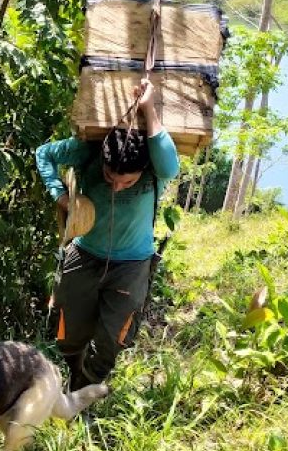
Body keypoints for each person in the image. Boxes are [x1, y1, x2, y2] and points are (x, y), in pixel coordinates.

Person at [35, 78, 180, 390]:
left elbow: (167, 156)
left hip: (132, 266)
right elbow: (43, 154)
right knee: (67, 330)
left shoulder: (158, 168)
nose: (116, 186)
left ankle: (87, 388)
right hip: (84, 255)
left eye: (127, 183)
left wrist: (148, 108)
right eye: (109, 178)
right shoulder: (87, 152)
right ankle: (71, 379)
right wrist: (59, 193)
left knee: (114, 337)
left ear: (144, 171)